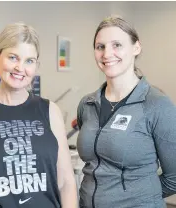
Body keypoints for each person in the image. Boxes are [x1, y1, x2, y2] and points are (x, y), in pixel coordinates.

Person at [0, 22, 78, 208]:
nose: (20, 68)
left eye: (29, 61)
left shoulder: (50, 111)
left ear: (36, 66)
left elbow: (66, 182)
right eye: (13, 57)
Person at [77, 16, 176, 208]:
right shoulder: (87, 104)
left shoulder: (157, 104)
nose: (107, 54)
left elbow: (175, 177)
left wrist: (136, 197)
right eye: (100, 47)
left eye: (117, 45)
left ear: (136, 47)